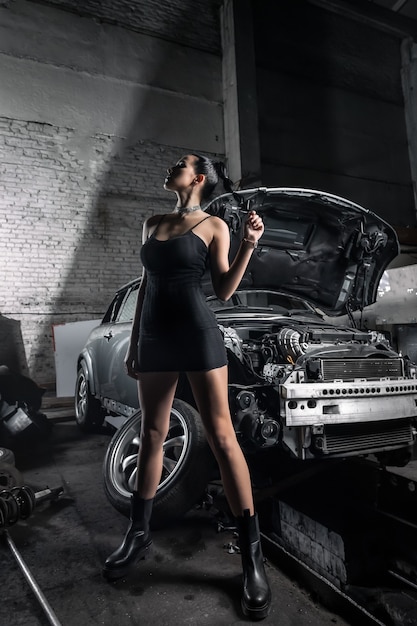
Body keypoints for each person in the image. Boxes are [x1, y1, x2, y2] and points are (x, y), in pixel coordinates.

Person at [102, 153, 271, 620]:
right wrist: (136, 342)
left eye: (181, 162)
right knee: (153, 433)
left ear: (198, 178)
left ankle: (253, 556)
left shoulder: (215, 226)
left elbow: (223, 291)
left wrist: (249, 244)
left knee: (221, 438)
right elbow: (145, 285)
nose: (170, 165)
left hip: (197, 333)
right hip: (154, 336)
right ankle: (138, 534)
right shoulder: (152, 222)